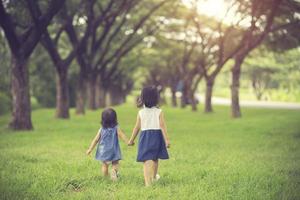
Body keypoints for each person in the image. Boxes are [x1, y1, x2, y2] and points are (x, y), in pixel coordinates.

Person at [128, 86, 170, 186]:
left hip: (145, 137)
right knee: (155, 158)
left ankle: (148, 183)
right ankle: (154, 177)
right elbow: (162, 126)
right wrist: (167, 140)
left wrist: (131, 140)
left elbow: (137, 127)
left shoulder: (141, 112)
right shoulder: (159, 112)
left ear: (142, 98)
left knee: (147, 160)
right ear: (156, 98)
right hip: (157, 136)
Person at [86, 108, 128, 181]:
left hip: (103, 150)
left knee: (105, 165)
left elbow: (96, 140)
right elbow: (122, 135)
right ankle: (114, 171)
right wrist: (128, 142)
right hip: (113, 150)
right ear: (115, 119)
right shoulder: (116, 128)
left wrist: (90, 149)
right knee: (115, 163)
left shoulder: (102, 129)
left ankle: (106, 178)